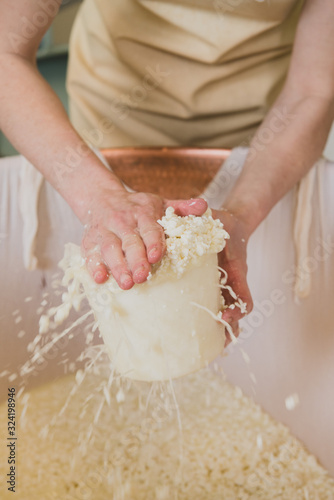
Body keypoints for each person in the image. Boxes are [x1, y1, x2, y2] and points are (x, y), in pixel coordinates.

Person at [0, 0, 333, 339]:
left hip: (264, 134)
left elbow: (313, 91)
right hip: (113, 114)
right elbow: (6, 53)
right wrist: (100, 196)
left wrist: (241, 216)